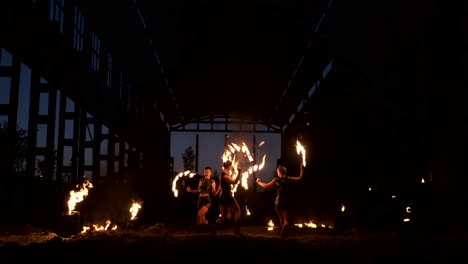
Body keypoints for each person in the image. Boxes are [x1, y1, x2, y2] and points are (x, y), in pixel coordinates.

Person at [256, 162, 304, 238]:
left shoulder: (276, 180)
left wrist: (259, 182)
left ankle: (283, 233)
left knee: (281, 219)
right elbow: (300, 177)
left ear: (279, 172)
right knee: (286, 220)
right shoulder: (289, 178)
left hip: (279, 201)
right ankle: (284, 232)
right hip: (287, 201)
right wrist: (301, 168)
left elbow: (266, 186)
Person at [186, 167, 220, 231]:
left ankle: (198, 231)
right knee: (202, 220)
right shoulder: (201, 180)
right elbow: (199, 191)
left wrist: (219, 189)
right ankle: (211, 228)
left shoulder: (212, 182)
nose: (206, 173)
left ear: (210, 173)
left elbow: (214, 194)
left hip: (207, 200)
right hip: (200, 200)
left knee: (199, 215)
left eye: (207, 172)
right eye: (205, 172)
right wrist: (190, 190)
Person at [214, 160, 243, 235]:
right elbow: (234, 181)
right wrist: (239, 172)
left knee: (223, 217)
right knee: (238, 211)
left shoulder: (222, 175)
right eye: (231, 166)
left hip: (223, 196)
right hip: (227, 196)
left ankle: (213, 230)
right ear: (229, 166)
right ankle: (237, 231)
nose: (232, 167)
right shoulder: (225, 176)